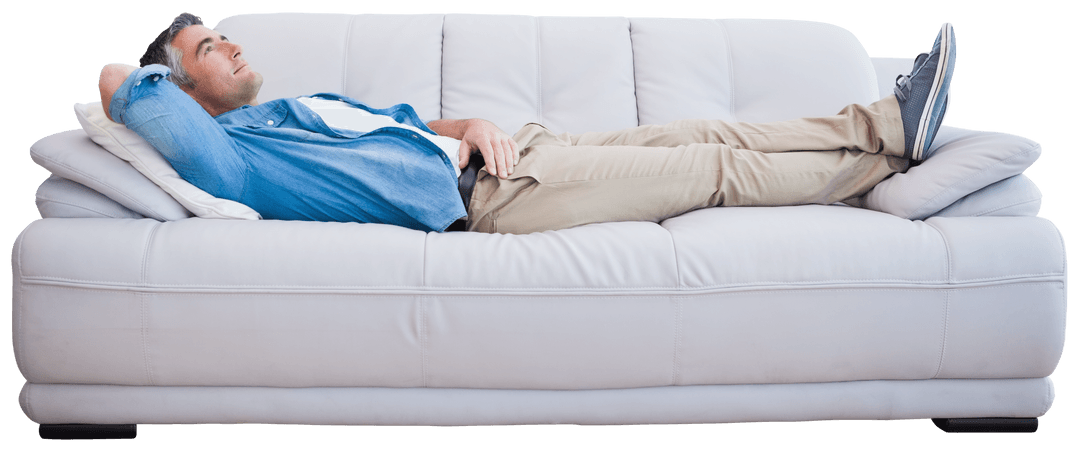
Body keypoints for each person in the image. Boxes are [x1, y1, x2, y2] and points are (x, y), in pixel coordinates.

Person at [99, 12, 957, 234]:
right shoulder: (236, 156)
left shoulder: (293, 107)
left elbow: (412, 122)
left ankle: (887, 118)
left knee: (713, 134)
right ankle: (889, 167)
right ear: (186, 92)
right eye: (212, 48)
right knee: (713, 174)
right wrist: (143, 75)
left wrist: (471, 119)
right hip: (496, 197)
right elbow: (121, 89)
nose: (235, 47)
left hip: (520, 149)